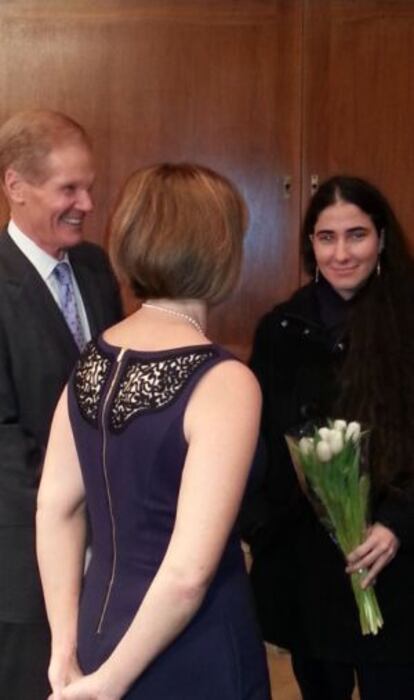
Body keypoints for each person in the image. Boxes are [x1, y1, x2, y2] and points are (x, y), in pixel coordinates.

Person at [36, 162, 272, 700]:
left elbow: (55, 506)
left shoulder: (92, 356)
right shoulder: (226, 381)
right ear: (221, 250)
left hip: (100, 633)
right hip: (192, 650)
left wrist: (65, 649)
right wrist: (109, 686)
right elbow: (188, 574)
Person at [242, 176, 414, 700]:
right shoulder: (281, 329)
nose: (341, 253)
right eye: (326, 237)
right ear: (310, 245)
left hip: (397, 560)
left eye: (356, 235)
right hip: (311, 572)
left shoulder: (407, 319)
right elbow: (262, 443)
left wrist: (396, 523)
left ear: (382, 239)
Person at [0, 108, 122, 700]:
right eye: (68, 188)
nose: (87, 204)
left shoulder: (96, 270)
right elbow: (4, 447)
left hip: (110, 556)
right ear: (15, 186)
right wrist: (76, 515)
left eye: (90, 187)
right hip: (25, 568)